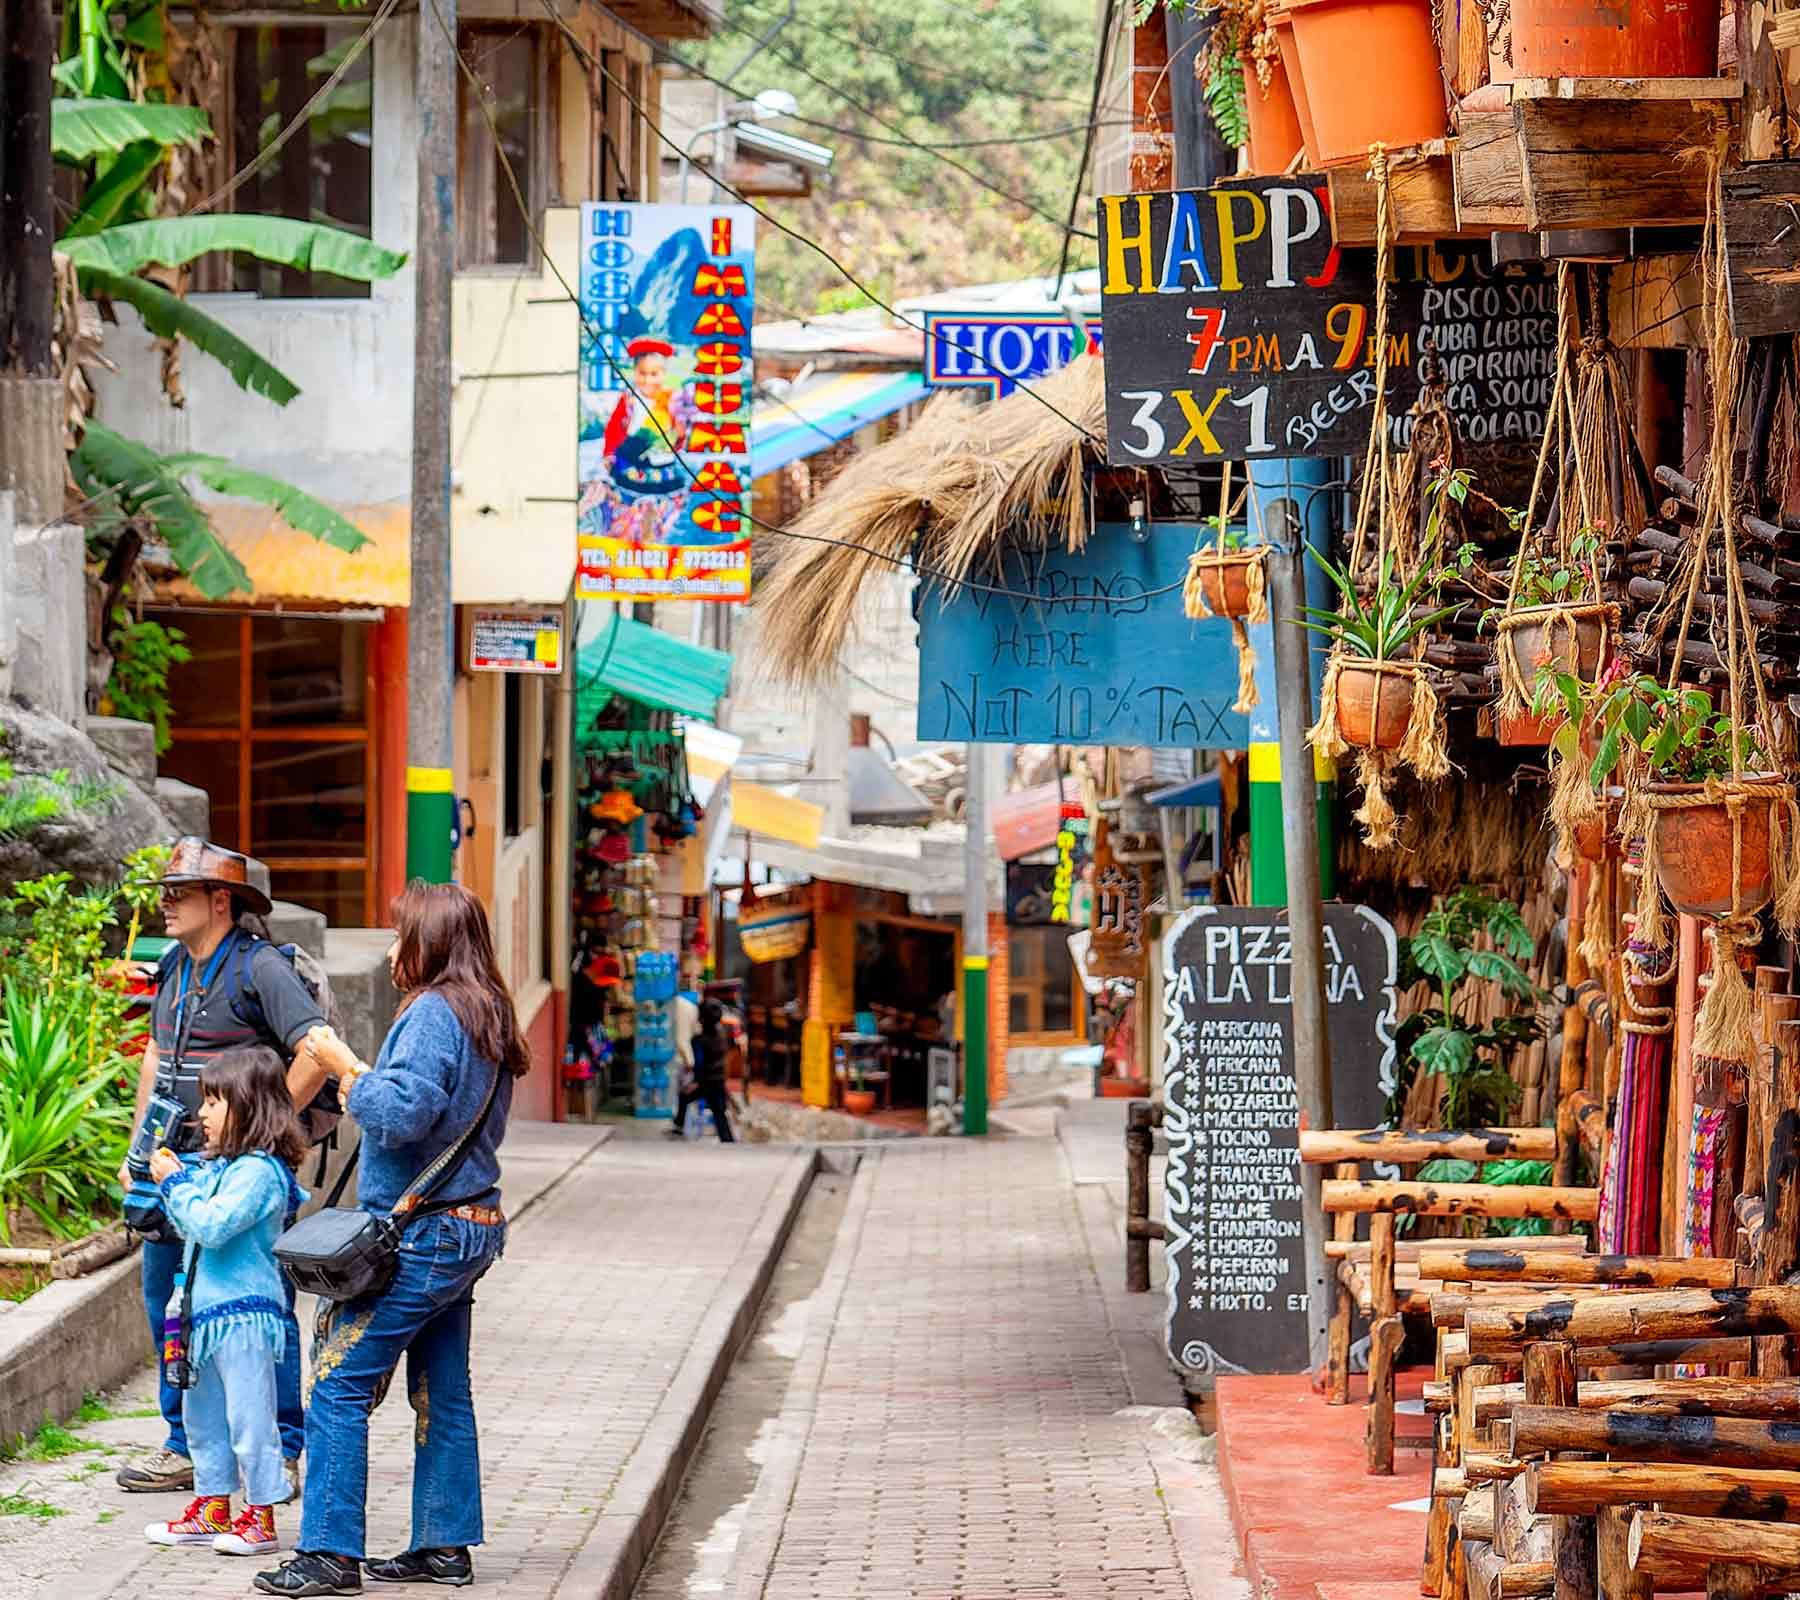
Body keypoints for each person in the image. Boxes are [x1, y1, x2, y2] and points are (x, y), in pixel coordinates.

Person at [255, 881, 524, 1599]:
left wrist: (346, 1070)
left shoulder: (435, 1013)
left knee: (337, 1385)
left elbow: (402, 1114)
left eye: (400, 933)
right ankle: (443, 1545)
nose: (390, 946)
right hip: (468, 1229)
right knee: (442, 1390)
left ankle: (330, 1555)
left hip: (423, 1236)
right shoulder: (486, 1010)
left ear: (431, 942)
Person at [117, 837, 328, 1498]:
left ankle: (284, 1448)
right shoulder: (178, 965)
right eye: (165, 891)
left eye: (178, 893)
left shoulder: (260, 967)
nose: (165, 904)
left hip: (238, 1177)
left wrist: (260, 1132)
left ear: (221, 900)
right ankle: (185, 1444)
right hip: (175, 1166)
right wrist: (136, 1154)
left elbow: (318, 1053)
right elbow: (156, 1058)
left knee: (261, 1306)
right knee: (172, 1302)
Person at [143, 1047, 308, 1559]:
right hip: (201, 1317)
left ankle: (260, 1514)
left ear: (251, 1106)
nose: (204, 1114)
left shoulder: (259, 1173)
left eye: (215, 1101)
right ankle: (213, 1506)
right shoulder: (223, 1168)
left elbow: (211, 1227)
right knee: (202, 1417)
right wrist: (181, 1181)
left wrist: (173, 1184)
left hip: (242, 1316)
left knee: (249, 1418)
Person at [672, 999, 734, 1143]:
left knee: (684, 1096)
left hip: (705, 1081)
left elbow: (699, 1064)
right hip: (718, 1080)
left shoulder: (700, 1040)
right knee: (720, 1114)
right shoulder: (722, 1034)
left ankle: (679, 1126)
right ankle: (728, 1141)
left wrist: (696, 1082)